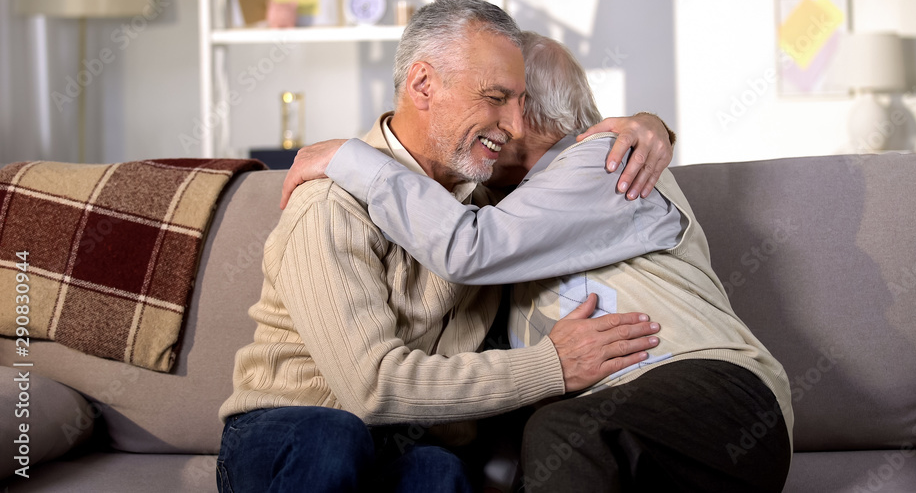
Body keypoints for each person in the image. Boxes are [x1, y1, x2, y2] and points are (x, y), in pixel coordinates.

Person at [292, 31, 794, 492]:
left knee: (563, 433)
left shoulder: (607, 160)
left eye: (495, 100)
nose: (488, 121)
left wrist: (351, 158)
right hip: (618, 436)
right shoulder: (504, 205)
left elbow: (470, 249)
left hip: (718, 401)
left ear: (525, 111)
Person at [217, 0, 673, 493]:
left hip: (408, 441)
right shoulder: (330, 203)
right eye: (497, 98)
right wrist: (551, 367)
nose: (515, 126)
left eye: (522, 104)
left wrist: (649, 127)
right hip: (295, 427)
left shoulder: (493, 205)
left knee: (438, 471)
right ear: (423, 85)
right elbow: (371, 389)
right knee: (335, 438)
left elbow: (572, 158)